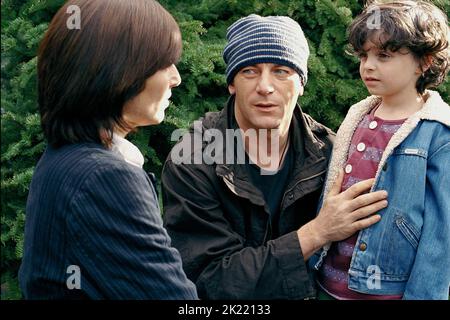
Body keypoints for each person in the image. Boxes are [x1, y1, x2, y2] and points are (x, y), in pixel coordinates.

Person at [162, 14, 388, 300]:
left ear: (301, 83)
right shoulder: (193, 160)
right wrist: (317, 232)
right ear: (232, 83)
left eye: (281, 71)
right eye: (250, 71)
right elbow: (211, 281)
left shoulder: (333, 152)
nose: (265, 87)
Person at [19, 0, 198, 300]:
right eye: (164, 63)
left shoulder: (64, 158)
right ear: (118, 70)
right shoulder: (104, 178)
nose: (176, 78)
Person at [311, 0, 450, 300]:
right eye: (364, 55)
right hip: (327, 284)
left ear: (424, 62)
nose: (368, 66)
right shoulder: (357, 116)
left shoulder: (438, 132)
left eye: (384, 55)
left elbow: (441, 237)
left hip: (386, 291)